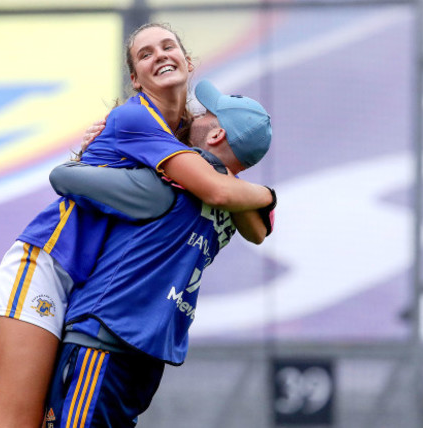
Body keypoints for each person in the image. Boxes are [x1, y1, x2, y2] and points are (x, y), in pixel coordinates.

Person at [0, 22, 273, 428]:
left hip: (92, 284)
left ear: (188, 63)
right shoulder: (138, 120)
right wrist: (268, 196)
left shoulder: (181, 144)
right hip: (49, 260)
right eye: (146, 53)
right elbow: (222, 193)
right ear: (135, 80)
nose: (160, 55)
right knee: (20, 421)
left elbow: (242, 213)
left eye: (168, 46)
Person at [42, 80, 275, 428]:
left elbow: (63, 176)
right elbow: (255, 222)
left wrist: (110, 145)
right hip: (147, 356)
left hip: (103, 338)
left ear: (215, 136)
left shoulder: (166, 186)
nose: (194, 114)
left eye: (207, 113)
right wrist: (266, 193)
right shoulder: (235, 212)